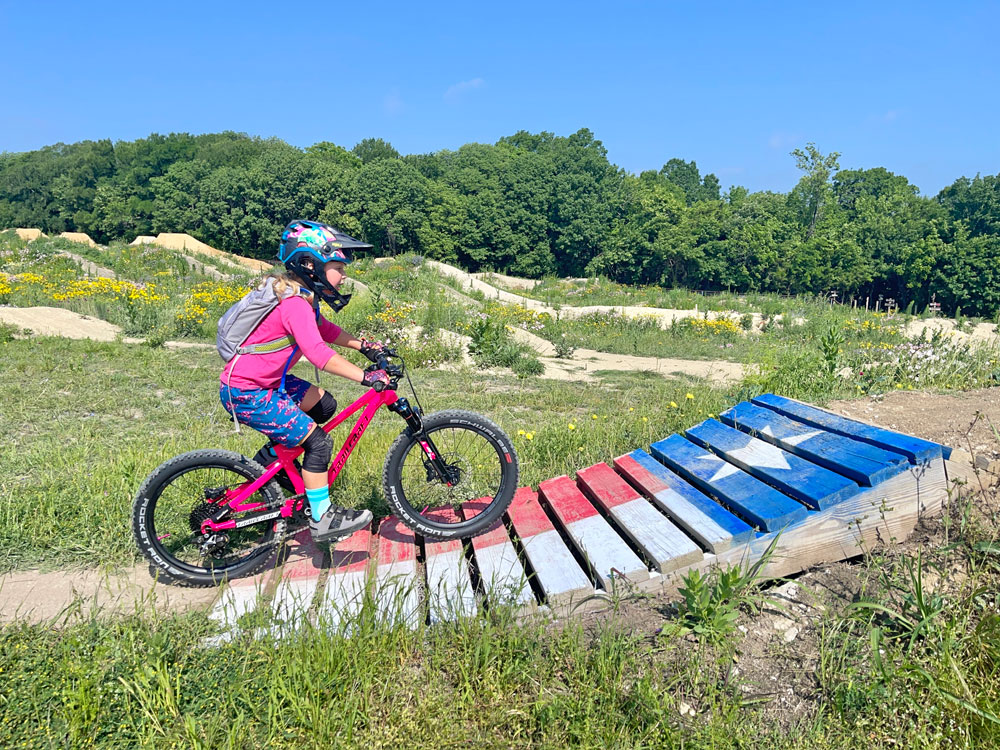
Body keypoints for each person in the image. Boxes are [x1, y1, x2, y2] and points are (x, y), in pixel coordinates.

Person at [219, 220, 389, 542]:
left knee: (324, 405)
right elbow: (318, 353)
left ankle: (273, 466)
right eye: (338, 266)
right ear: (310, 264)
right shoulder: (294, 303)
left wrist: (364, 346)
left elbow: (325, 330)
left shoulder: (302, 298)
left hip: (266, 385)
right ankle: (322, 518)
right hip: (248, 392)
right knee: (318, 443)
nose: (344, 275)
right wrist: (366, 377)